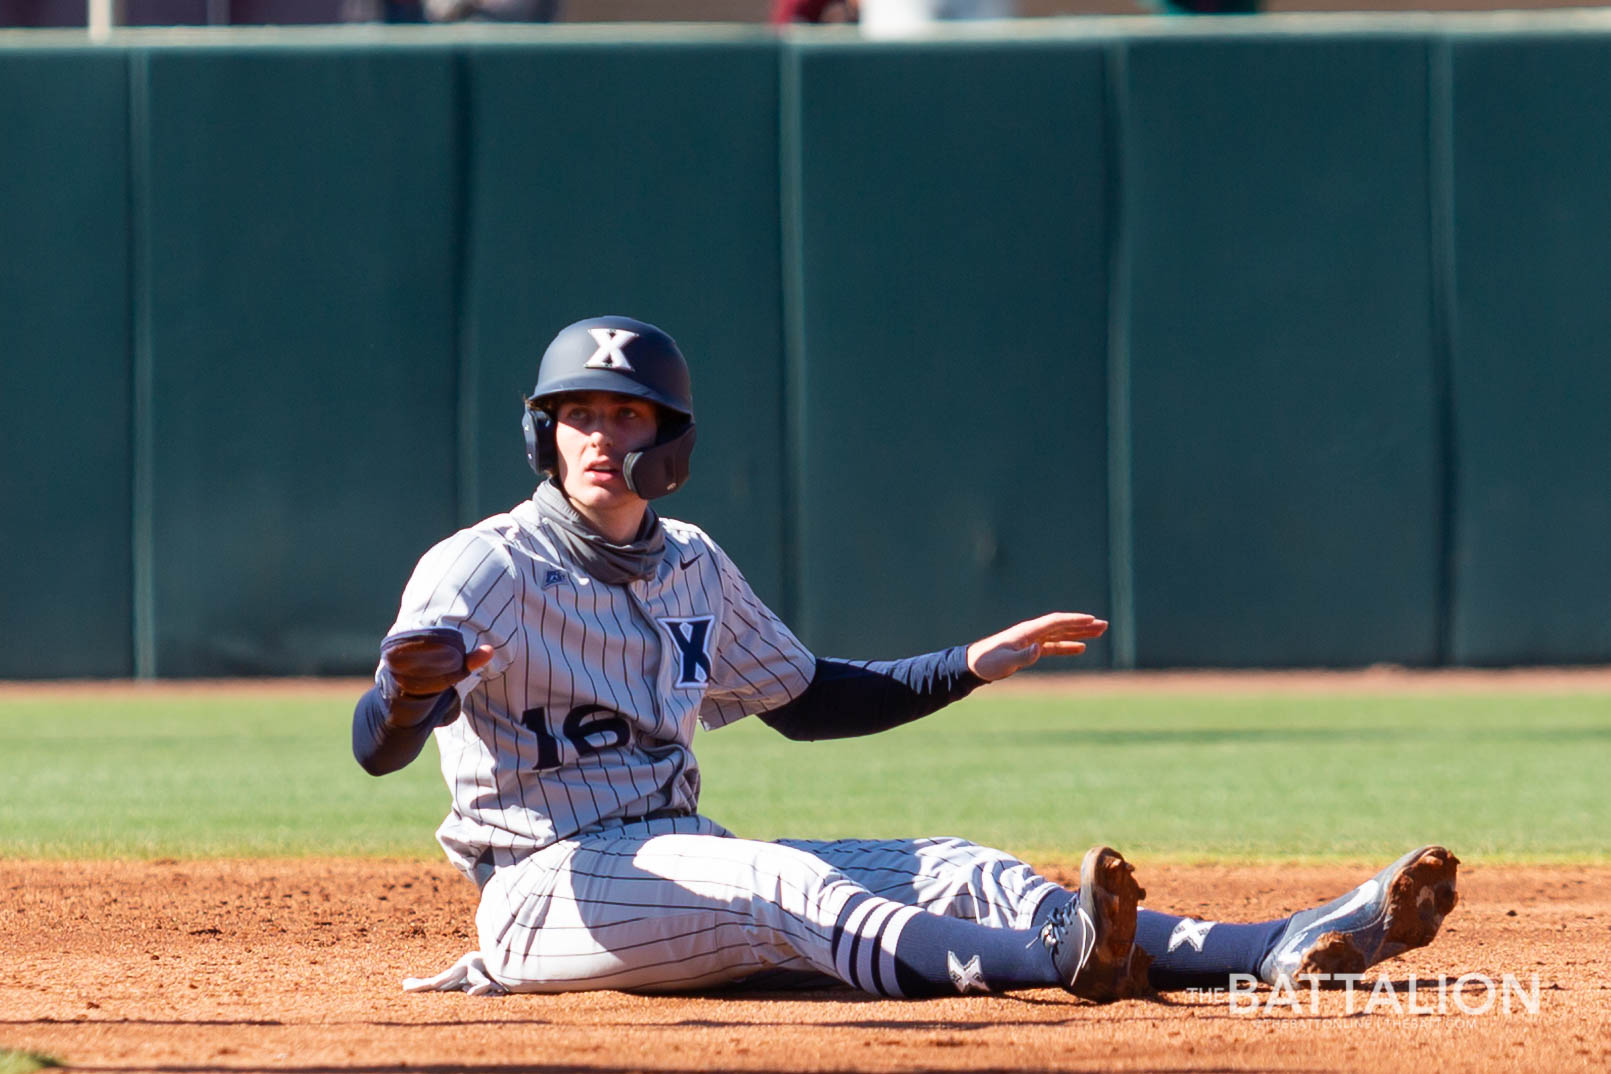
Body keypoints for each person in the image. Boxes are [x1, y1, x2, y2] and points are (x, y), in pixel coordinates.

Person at [353, 315, 1459, 999]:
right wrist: (402, 700)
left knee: (959, 864)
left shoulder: (690, 563)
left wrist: (966, 661)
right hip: (544, 893)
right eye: (576, 414)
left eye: (627, 415)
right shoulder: (480, 567)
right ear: (542, 436)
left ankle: (1273, 945)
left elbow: (808, 699)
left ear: (670, 444)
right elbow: (378, 746)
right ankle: (1063, 963)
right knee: (774, 880)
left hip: (672, 858)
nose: (599, 437)